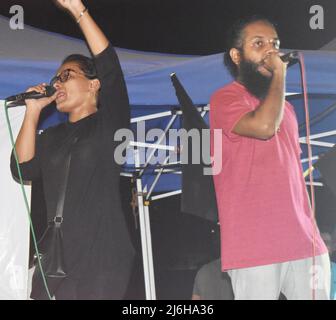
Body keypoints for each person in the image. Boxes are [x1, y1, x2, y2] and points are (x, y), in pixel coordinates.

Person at [10, 0, 135, 300]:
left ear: (93, 85)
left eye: (67, 75)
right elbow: (22, 168)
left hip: (101, 258)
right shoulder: (53, 136)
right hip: (57, 258)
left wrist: (78, 11)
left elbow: (111, 68)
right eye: (56, 79)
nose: (58, 83)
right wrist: (33, 111)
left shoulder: (110, 124)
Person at [210, 16, 330, 300]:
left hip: (304, 241)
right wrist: (280, 74)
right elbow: (263, 127)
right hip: (254, 245)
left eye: (275, 44)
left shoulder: (286, 108)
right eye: (259, 44)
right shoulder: (225, 99)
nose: (271, 52)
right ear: (237, 56)